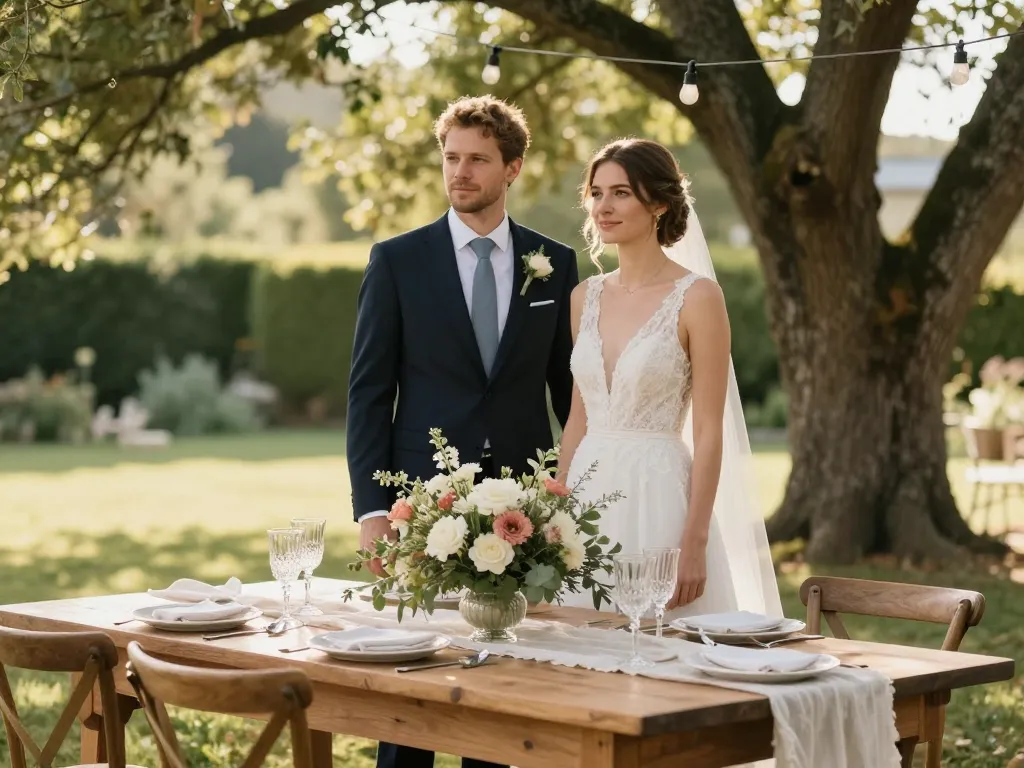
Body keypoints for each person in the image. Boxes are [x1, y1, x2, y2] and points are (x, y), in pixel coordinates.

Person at [345, 95, 579, 768]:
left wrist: (566, 494)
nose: (461, 172)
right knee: (412, 682)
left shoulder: (554, 262)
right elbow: (369, 394)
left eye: (478, 159)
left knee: (505, 677)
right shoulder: (397, 260)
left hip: (522, 503)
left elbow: (570, 393)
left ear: (513, 168)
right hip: (419, 499)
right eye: (451, 157)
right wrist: (371, 510)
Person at [555, 138, 782, 619]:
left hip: (658, 493)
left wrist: (695, 540)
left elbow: (709, 430)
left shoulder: (698, 297)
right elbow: (578, 417)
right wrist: (556, 506)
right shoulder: (584, 297)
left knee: (664, 642)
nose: (603, 207)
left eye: (620, 193)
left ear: (659, 203)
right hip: (586, 494)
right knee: (578, 641)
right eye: (596, 193)